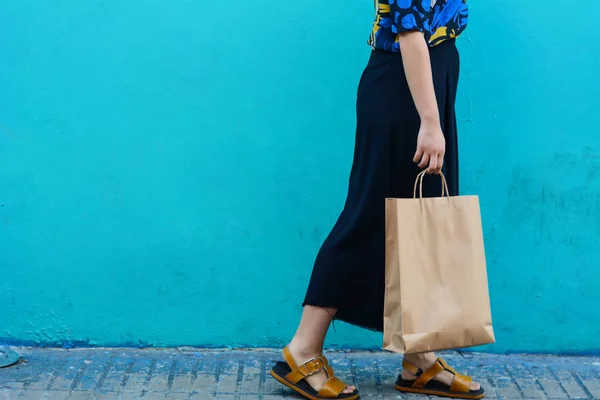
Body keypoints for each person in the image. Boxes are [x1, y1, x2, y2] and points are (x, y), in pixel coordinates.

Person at [270, 1, 484, 399]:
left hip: (428, 85)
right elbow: (408, 32)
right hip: (405, 93)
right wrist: (431, 122)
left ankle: (418, 358)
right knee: (368, 219)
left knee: (424, 221)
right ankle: (302, 349)